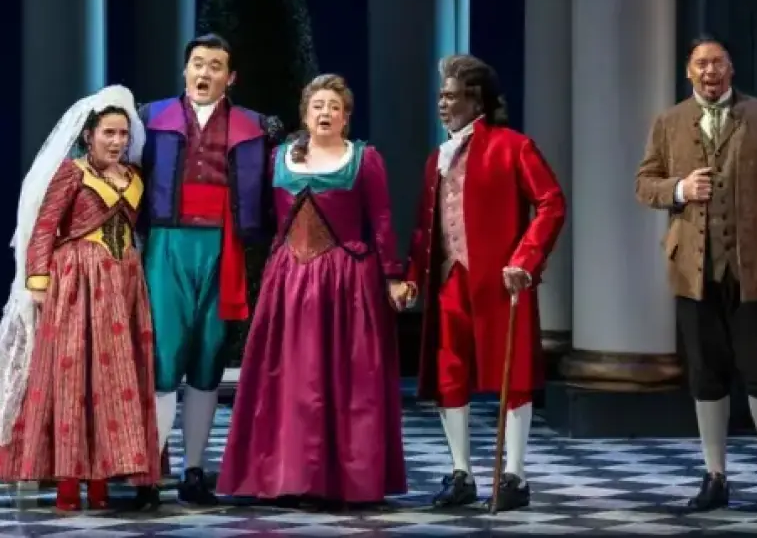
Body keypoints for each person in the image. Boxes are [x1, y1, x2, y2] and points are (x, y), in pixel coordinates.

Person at [634, 36, 757, 513]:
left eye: (717, 63)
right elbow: (644, 184)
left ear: (731, 69)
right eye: (701, 64)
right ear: (688, 72)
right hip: (695, 270)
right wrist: (680, 189)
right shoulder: (670, 121)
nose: (709, 71)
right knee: (707, 375)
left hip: (756, 267)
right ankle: (715, 477)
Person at [218, 74, 408, 507]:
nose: (326, 113)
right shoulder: (280, 157)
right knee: (289, 380)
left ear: (346, 117)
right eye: (318, 106)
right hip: (289, 279)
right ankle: (286, 476)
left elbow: (381, 221)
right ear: (305, 114)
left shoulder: (364, 160)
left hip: (344, 281)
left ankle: (340, 481)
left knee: (342, 380)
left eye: (334, 107)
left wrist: (393, 276)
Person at [0, 86, 160, 511]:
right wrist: (37, 282)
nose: (116, 141)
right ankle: (68, 480)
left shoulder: (133, 176)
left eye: (123, 134)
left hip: (124, 282)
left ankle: (104, 475)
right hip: (78, 281)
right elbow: (44, 228)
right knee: (73, 376)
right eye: (108, 133)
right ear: (89, 135)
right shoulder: (72, 174)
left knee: (114, 381)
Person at [398, 54, 565, 513]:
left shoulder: (513, 147)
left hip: (502, 280)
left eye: (451, 96)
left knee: (514, 373)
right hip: (449, 280)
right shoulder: (437, 158)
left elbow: (551, 202)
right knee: (450, 373)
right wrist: (411, 277)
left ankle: (514, 475)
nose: (442, 104)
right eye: (440, 95)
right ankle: (462, 473)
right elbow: (424, 229)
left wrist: (525, 260)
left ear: (476, 101)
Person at [137, 33, 282, 506]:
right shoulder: (149, 119)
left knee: (208, 357)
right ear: (185, 70)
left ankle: (194, 469)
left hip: (225, 248)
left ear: (230, 77)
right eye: (198, 63)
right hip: (168, 245)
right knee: (163, 356)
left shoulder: (255, 127)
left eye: (215, 66)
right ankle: (148, 472)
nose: (204, 72)